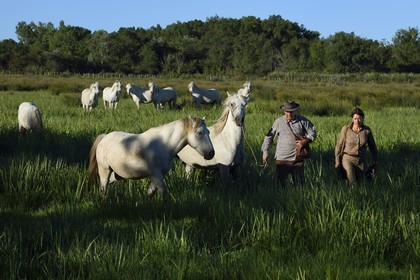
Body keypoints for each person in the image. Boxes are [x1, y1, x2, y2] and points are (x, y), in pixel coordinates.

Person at [261, 101, 316, 188]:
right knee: (281, 186)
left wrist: (305, 141)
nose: (289, 114)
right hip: (281, 159)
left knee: (300, 186)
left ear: (295, 111)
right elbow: (269, 137)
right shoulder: (278, 122)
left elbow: (313, 132)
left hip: (297, 159)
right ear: (284, 111)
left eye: (291, 111)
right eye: (287, 112)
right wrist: (265, 152)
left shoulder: (302, 121)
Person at [334, 107, 378, 185]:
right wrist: (337, 161)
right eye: (355, 119)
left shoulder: (366, 131)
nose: (357, 121)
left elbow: (372, 146)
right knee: (352, 182)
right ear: (352, 119)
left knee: (362, 183)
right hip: (348, 158)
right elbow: (339, 146)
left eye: (359, 119)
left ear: (363, 118)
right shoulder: (346, 129)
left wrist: (375, 159)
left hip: (361, 160)